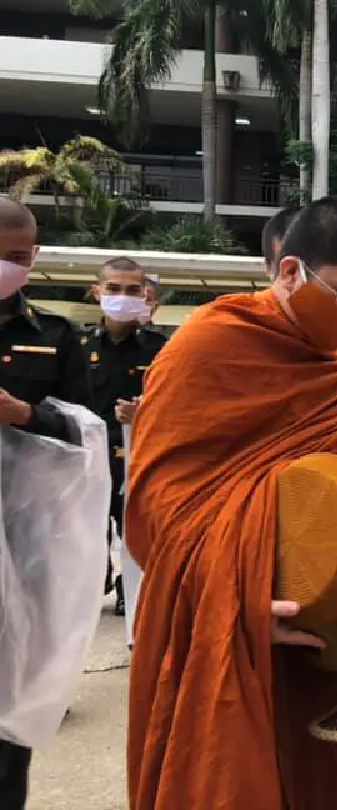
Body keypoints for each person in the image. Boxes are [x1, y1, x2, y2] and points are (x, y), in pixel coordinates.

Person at [124, 195, 337, 810]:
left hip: (315, 618)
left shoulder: (333, 364)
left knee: (316, 775)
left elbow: (318, 492)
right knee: (229, 773)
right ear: (290, 271)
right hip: (220, 614)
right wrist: (243, 597)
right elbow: (156, 504)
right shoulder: (210, 343)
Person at [0, 197, 93, 809]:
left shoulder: (55, 336)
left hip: (23, 547)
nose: (9, 266)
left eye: (18, 255)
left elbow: (86, 432)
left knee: (10, 704)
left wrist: (27, 415)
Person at [84, 256, 169, 616]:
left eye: (133, 290)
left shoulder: (162, 348)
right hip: (90, 457)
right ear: (97, 292)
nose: (123, 296)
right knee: (88, 529)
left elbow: (179, 404)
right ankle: (93, 584)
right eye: (114, 288)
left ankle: (129, 590)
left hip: (139, 457)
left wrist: (143, 415)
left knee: (136, 531)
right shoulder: (78, 345)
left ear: (145, 295)